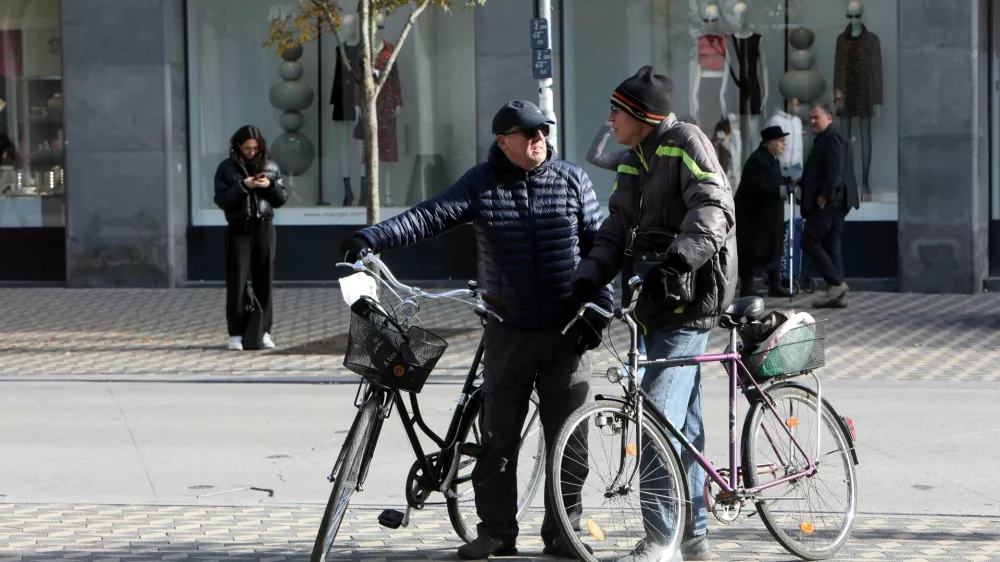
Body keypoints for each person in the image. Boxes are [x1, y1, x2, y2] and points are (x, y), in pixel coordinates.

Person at [338, 100, 613, 560]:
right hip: (508, 330)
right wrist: (372, 237)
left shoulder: (571, 180)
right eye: (527, 134)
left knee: (571, 440)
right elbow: (429, 216)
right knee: (497, 441)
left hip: (568, 331)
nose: (538, 141)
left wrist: (600, 307)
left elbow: (600, 246)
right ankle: (496, 531)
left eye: (542, 132)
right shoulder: (480, 185)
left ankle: (563, 532)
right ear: (502, 140)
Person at [571, 66, 736, 562]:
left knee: (655, 419)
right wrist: (588, 275)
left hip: (689, 300)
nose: (609, 120)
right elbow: (618, 225)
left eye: (615, 111)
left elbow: (714, 208)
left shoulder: (686, 141)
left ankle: (661, 540)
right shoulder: (635, 158)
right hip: (651, 305)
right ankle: (694, 537)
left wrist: (679, 260)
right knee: (682, 423)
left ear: (640, 114)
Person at [213, 125, 288, 350]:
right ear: (237, 146)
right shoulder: (227, 169)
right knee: (237, 281)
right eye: (247, 148)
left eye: (255, 148)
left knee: (264, 279)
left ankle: (264, 331)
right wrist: (243, 186)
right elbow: (222, 199)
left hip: (264, 227)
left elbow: (281, 198)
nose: (251, 152)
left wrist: (270, 185)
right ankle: (235, 333)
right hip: (238, 229)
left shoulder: (271, 166)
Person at [800, 103, 859, 308]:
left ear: (829, 118)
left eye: (817, 117)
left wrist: (824, 195)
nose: (813, 122)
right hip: (835, 200)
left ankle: (836, 283)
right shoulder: (828, 137)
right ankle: (837, 294)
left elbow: (835, 170)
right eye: (811, 118)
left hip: (830, 202)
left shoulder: (832, 137)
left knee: (809, 241)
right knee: (831, 244)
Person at [735, 125, 794, 298]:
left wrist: (787, 183)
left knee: (774, 249)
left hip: (770, 216)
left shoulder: (771, 159)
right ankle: (747, 287)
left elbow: (774, 179)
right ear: (770, 143)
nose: (784, 145)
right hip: (754, 217)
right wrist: (780, 189)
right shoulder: (757, 160)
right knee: (752, 251)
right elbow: (760, 185)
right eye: (781, 141)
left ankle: (774, 285)